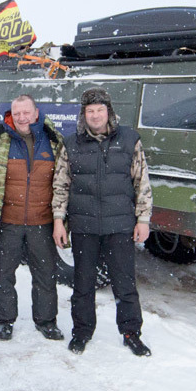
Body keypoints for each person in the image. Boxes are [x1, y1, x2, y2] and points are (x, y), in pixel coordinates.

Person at [52, 87, 153, 356]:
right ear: (83, 115)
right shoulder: (71, 144)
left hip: (119, 225)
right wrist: (59, 220)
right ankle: (82, 332)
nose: (95, 115)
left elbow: (141, 181)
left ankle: (131, 332)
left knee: (125, 283)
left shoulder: (129, 140)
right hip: (84, 227)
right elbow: (61, 184)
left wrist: (143, 218)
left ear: (108, 112)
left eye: (100, 110)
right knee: (83, 284)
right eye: (90, 111)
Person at [0, 94, 67, 342]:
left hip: (42, 222)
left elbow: (64, 181)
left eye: (27, 112)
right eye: (17, 113)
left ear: (36, 113)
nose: (22, 117)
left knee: (46, 274)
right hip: (7, 222)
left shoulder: (54, 142)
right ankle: (5, 321)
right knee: (2, 275)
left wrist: (61, 217)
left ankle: (46, 321)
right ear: (11, 115)